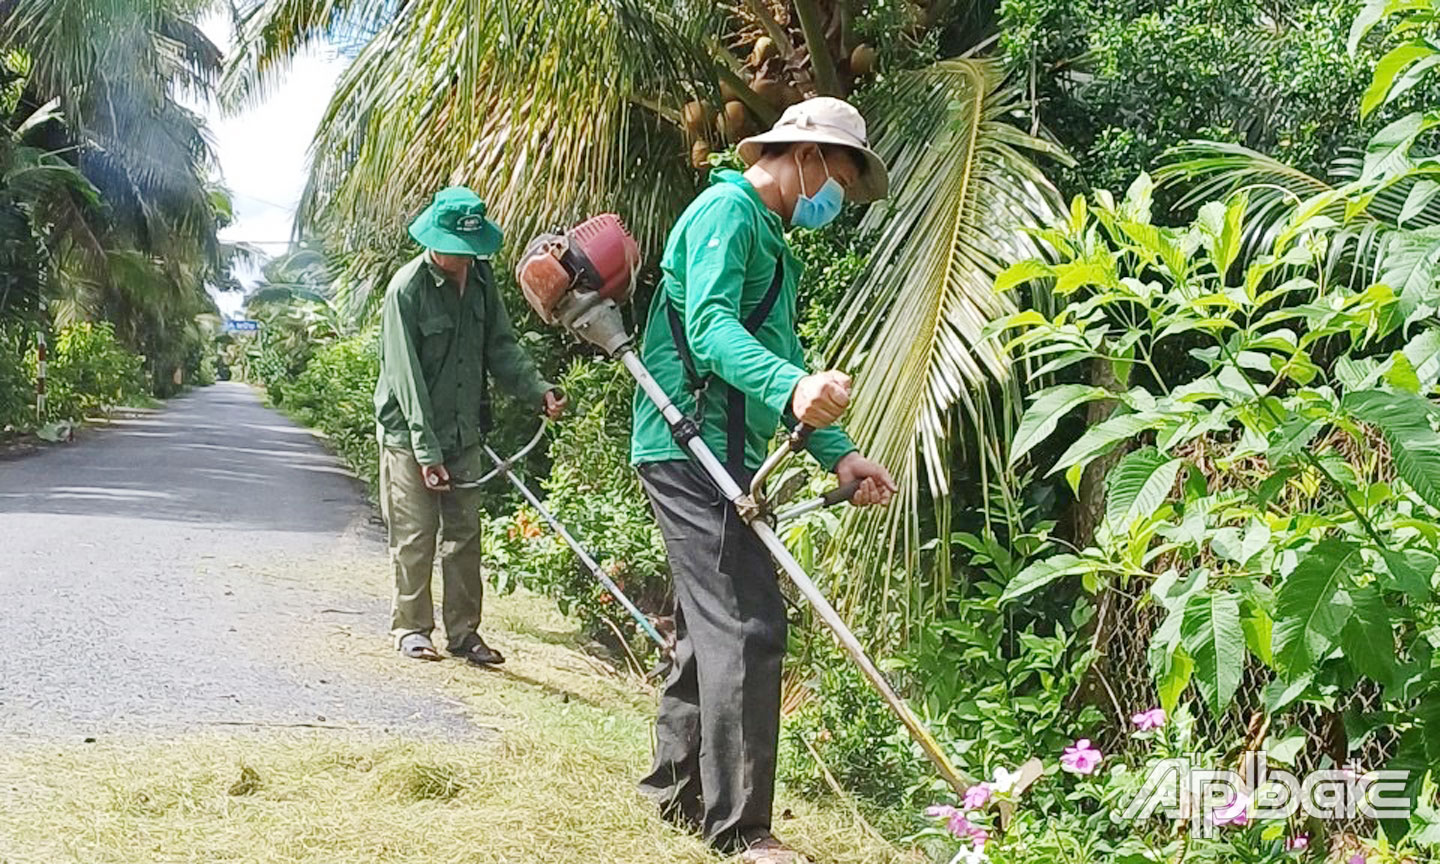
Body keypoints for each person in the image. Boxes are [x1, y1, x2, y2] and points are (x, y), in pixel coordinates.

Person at [630, 97, 897, 863]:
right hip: (688, 448)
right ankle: (743, 831)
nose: (835, 201)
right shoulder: (727, 213)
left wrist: (839, 452)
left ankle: (674, 793)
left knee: (703, 627)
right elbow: (712, 329)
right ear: (806, 155)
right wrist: (789, 388)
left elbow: (780, 352)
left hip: (725, 450)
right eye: (839, 183)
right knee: (747, 625)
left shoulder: (770, 240)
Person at [375, 186, 565, 666]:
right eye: (454, 250)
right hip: (410, 434)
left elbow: (500, 347)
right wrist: (426, 451)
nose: (462, 259)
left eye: (469, 250)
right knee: (416, 536)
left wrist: (537, 390)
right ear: (433, 239)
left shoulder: (480, 281)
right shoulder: (407, 289)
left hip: (463, 431)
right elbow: (405, 379)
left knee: (464, 536)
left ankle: (464, 634)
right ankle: (412, 629)